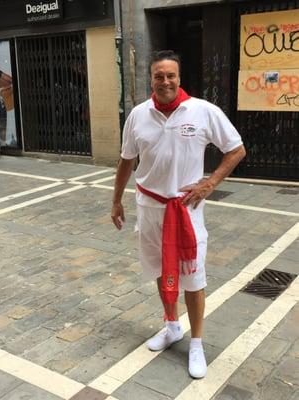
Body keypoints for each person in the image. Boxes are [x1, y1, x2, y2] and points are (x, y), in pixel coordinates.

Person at [111, 50, 246, 379]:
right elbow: (126, 161)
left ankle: (196, 342)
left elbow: (236, 149)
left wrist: (210, 183)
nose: (165, 81)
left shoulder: (202, 111)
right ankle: (172, 326)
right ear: (152, 79)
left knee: (193, 276)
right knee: (161, 267)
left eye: (170, 75)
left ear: (179, 78)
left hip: (186, 211)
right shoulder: (138, 116)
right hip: (149, 207)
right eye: (159, 75)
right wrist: (116, 201)